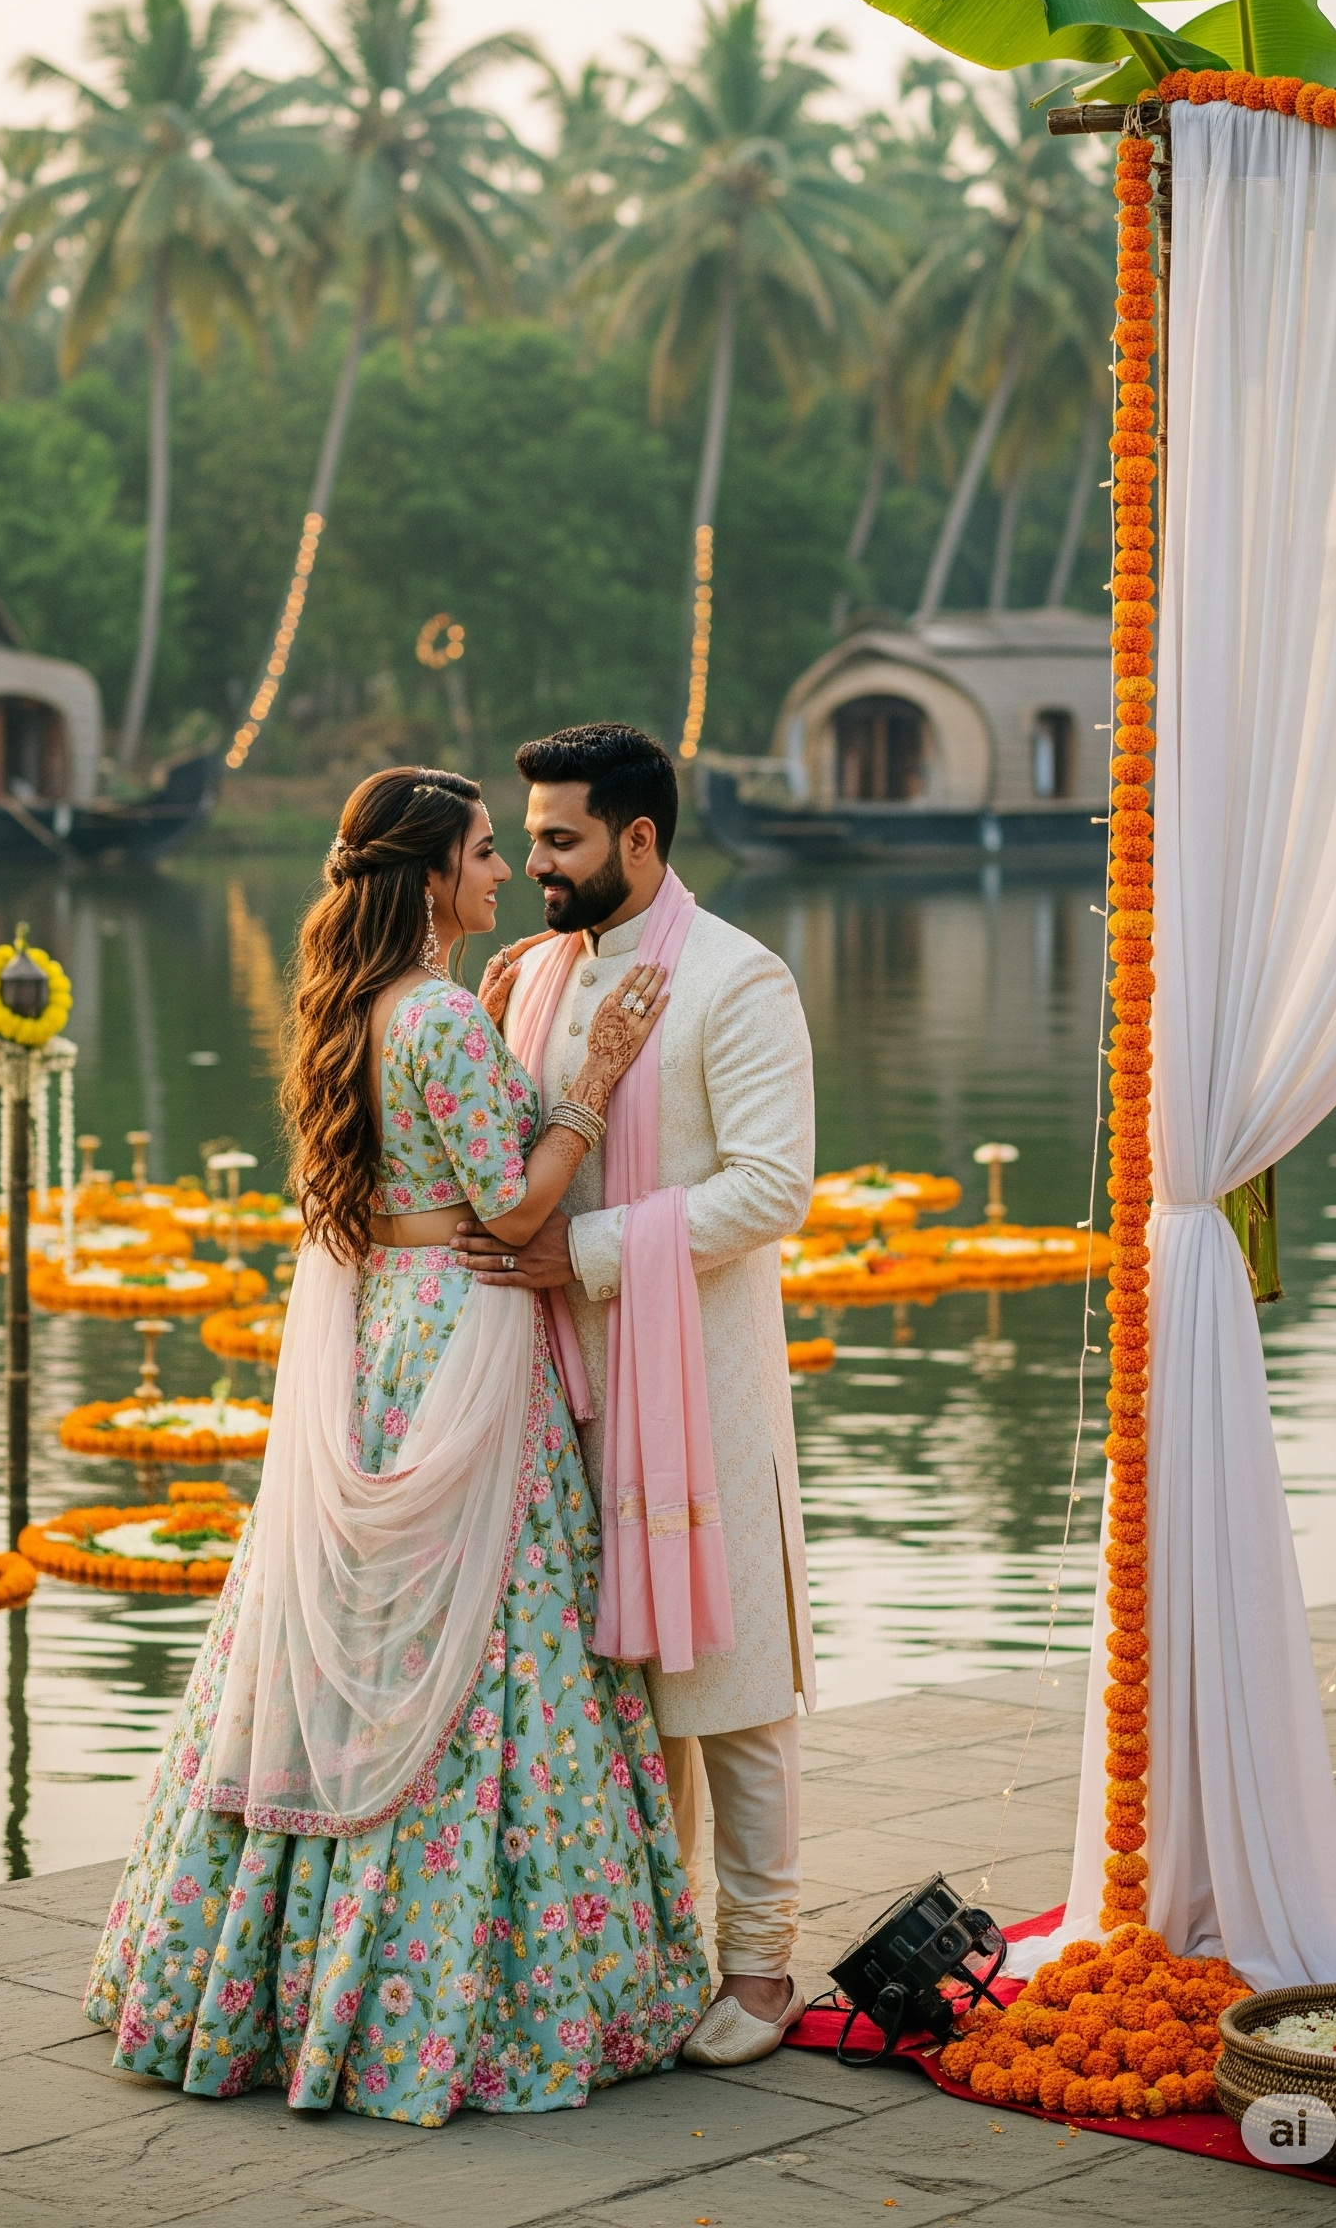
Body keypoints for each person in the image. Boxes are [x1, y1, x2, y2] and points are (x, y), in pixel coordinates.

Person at [85, 766, 709, 2121]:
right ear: (432, 878)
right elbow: (515, 1200)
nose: (504, 875)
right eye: (487, 855)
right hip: (466, 1341)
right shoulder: (436, 1020)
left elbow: (403, 1170)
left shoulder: (356, 1011)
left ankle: (254, 1975)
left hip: (380, 1340)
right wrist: (593, 1077)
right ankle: (458, 2000)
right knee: (495, 1627)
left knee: (341, 1617)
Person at [454, 721, 817, 2067]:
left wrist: (593, 1253)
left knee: (728, 1679)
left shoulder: (738, 979)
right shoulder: (538, 973)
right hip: (558, 1381)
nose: (538, 861)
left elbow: (777, 1185)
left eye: (562, 839)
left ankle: (765, 1967)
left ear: (641, 839)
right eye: (528, 839)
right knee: (608, 1686)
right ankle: (645, 1954)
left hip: (697, 1381)